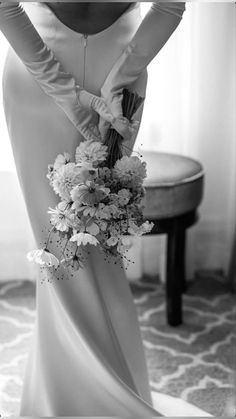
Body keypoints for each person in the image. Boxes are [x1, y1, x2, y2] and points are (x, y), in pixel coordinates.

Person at [0, 2, 187, 416]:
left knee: (69, 245)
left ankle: (78, 396)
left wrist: (83, 91)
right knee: (76, 244)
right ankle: (92, 389)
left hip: (41, 63)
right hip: (117, 66)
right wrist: (116, 83)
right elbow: (172, 5)